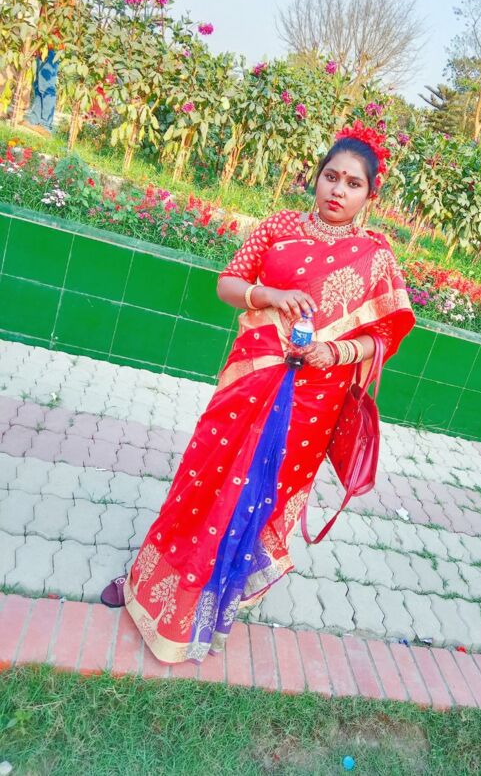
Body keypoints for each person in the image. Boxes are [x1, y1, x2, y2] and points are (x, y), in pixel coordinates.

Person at [101, 121, 415, 664]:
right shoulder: (278, 227)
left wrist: (339, 351)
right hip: (250, 379)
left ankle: (218, 603)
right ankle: (148, 586)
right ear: (316, 178)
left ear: (370, 195)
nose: (338, 190)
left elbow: (387, 333)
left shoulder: (376, 255)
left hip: (312, 404)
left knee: (259, 496)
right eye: (331, 176)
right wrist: (269, 294)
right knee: (203, 478)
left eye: (353, 183)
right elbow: (228, 284)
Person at [0, 0, 54, 118]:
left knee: (5, 61)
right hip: (30, 22)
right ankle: (18, 111)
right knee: (22, 65)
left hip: (12, 18)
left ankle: (2, 106)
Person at [21, 0, 75, 134]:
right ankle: (35, 118)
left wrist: (47, 35)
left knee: (47, 82)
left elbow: (63, 17)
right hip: (43, 40)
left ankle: (46, 124)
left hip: (53, 42)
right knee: (39, 81)